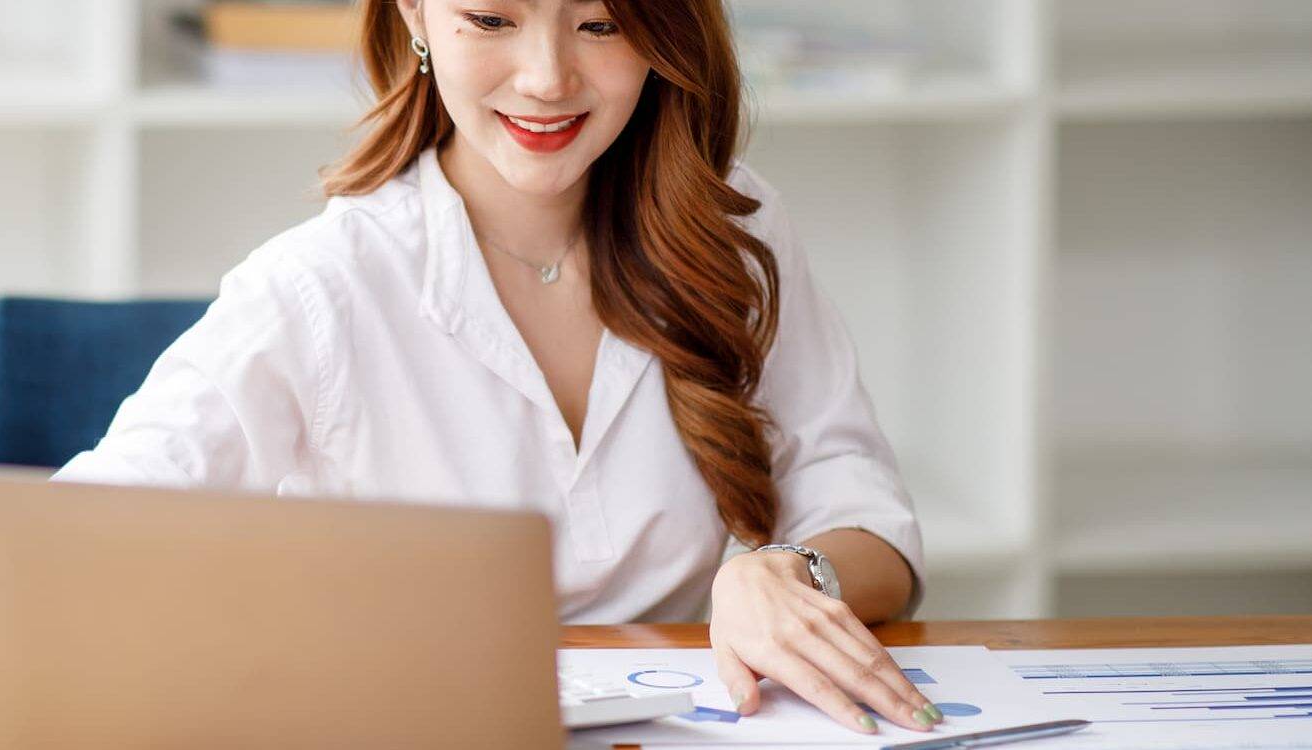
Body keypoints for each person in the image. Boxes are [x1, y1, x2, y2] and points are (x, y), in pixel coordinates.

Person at [54, 0, 939, 736]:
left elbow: (862, 505)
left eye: (598, 23)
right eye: (490, 17)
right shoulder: (321, 285)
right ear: (417, 17)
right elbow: (78, 546)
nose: (548, 77)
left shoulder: (729, 230)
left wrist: (784, 572)